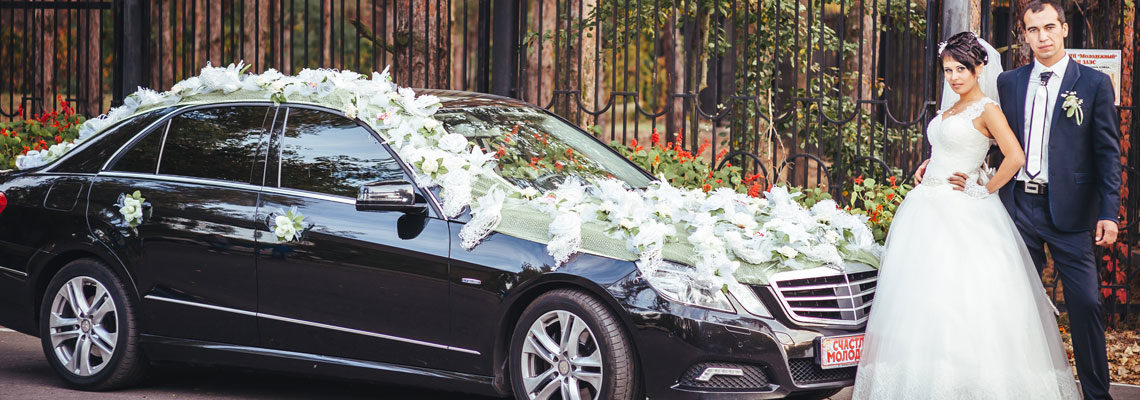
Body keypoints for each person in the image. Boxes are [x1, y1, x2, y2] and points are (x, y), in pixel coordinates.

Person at [851, 31, 1080, 399]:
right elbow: (948, 145)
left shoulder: (987, 108)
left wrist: (983, 188)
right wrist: (929, 162)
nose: (955, 77)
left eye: (962, 69)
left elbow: (1015, 157)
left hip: (964, 213)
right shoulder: (949, 110)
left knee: (963, 298)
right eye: (948, 70)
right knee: (922, 299)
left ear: (979, 69)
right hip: (926, 209)